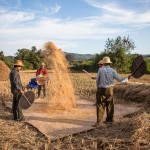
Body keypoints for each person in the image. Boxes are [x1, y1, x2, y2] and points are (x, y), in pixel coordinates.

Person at [93, 56, 130, 127]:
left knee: (100, 105)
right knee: (110, 104)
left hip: (101, 89)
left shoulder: (100, 70)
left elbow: (97, 80)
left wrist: (98, 87)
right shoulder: (113, 71)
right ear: (109, 63)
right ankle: (109, 121)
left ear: (103, 63)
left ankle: (99, 122)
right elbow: (120, 80)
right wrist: (127, 78)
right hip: (110, 89)